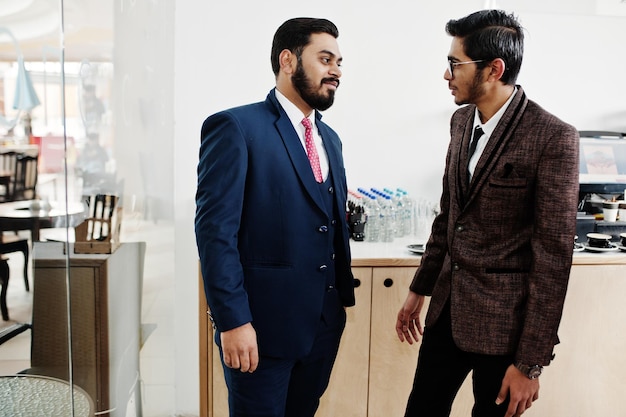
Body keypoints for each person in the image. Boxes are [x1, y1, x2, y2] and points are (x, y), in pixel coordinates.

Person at [395, 10, 579, 417]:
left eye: (454, 63)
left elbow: (553, 258)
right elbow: (449, 217)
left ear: (494, 69)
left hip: (506, 330)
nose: (447, 74)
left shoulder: (553, 137)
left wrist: (530, 364)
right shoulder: (461, 121)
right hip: (446, 311)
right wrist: (418, 289)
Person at [195, 17, 355, 417]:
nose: (335, 70)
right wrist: (232, 322)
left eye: (339, 61)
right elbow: (215, 235)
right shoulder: (235, 127)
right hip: (259, 332)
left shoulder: (329, 139)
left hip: (322, 328)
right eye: (324, 58)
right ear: (288, 60)